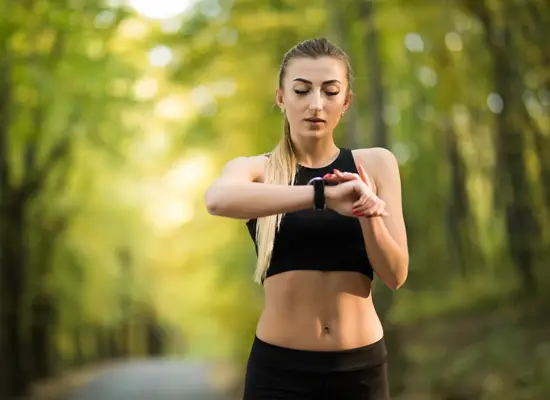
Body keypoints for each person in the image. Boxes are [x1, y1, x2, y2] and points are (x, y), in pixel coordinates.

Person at [205, 37, 408, 400]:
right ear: (282, 97)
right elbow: (217, 200)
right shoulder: (256, 170)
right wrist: (322, 197)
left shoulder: (375, 164)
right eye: (302, 90)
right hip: (278, 374)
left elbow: (395, 275)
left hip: (360, 372)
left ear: (345, 101)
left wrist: (366, 210)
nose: (316, 104)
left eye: (330, 92)